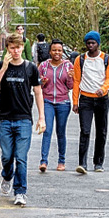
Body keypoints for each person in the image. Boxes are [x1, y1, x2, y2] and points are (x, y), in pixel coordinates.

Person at [0, 33, 44, 206]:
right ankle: (7, 176)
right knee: (6, 157)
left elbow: (38, 91)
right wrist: (4, 68)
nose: (16, 51)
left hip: (24, 119)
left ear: (23, 47)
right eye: (12, 48)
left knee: (21, 157)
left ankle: (20, 191)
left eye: (18, 47)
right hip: (5, 118)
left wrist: (42, 117)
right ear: (7, 49)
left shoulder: (30, 68)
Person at [72, 30, 109, 175]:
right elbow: (76, 80)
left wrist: (104, 89)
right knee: (85, 130)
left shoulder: (107, 59)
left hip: (102, 99)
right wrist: (75, 101)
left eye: (93, 43)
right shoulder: (80, 60)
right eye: (88, 43)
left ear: (98, 44)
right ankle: (82, 163)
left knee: (101, 131)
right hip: (85, 99)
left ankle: (98, 162)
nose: (90, 46)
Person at [38, 39, 73, 172]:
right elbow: (37, 84)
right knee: (46, 130)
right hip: (47, 102)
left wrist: (70, 77)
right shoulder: (44, 66)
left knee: (60, 132)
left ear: (62, 52)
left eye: (59, 50)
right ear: (50, 51)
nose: (56, 53)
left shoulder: (68, 66)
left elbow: (71, 86)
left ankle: (61, 161)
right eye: (54, 50)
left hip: (63, 103)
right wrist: (42, 82)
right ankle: (43, 161)